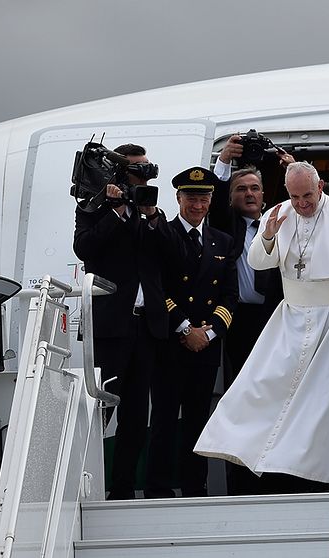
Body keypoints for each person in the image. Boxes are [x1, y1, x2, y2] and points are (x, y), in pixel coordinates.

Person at [195, 161, 329, 489]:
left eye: (308, 196)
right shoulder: (280, 213)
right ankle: (267, 466)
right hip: (292, 318)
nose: (302, 204)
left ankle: (325, 478)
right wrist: (268, 235)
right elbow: (258, 261)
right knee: (260, 388)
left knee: (325, 402)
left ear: (320, 186)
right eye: (295, 197)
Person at [72, 143, 171, 500]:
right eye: (136, 169)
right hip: (110, 326)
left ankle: (123, 487)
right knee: (98, 409)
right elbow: (85, 249)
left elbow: (169, 253)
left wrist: (152, 214)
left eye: (147, 168)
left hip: (146, 327)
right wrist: (116, 213)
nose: (143, 175)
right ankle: (86, 485)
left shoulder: (148, 210)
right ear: (117, 172)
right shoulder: (93, 207)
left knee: (135, 415)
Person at [145, 167, 238, 498]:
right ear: (178, 198)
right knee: (165, 420)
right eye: (191, 198)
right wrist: (185, 327)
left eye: (204, 198)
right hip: (171, 341)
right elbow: (157, 286)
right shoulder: (162, 234)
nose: (198, 205)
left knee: (198, 421)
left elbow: (230, 295)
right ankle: (157, 487)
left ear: (212, 200)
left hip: (206, 346)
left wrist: (209, 334)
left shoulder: (223, 241)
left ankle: (194, 487)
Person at [211, 138, 290, 493]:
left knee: (280, 397)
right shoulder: (227, 225)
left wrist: (293, 169)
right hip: (239, 323)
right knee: (243, 399)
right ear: (231, 195)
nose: (249, 193)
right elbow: (213, 204)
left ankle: (280, 476)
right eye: (241, 188)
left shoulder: (281, 221)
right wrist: (224, 163)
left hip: (277, 320)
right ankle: (244, 483)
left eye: (255, 187)